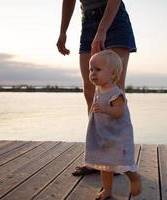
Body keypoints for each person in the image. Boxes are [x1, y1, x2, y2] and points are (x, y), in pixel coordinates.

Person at [56, 0, 137, 176]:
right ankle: (96, 158)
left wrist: (102, 30)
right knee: (90, 92)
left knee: (114, 92)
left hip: (113, 17)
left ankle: (117, 159)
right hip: (88, 21)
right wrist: (63, 31)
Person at [85, 49, 141, 199]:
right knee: (105, 163)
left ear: (112, 73)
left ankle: (134, 178)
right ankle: (107, 190)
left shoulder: (116, 93)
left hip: (118, 135)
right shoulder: (99, 90)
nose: (92, 73)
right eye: (91, 70)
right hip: (104, 134)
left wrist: (104, 109)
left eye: (98, 69)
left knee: (121, 162)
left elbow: (119, 112)